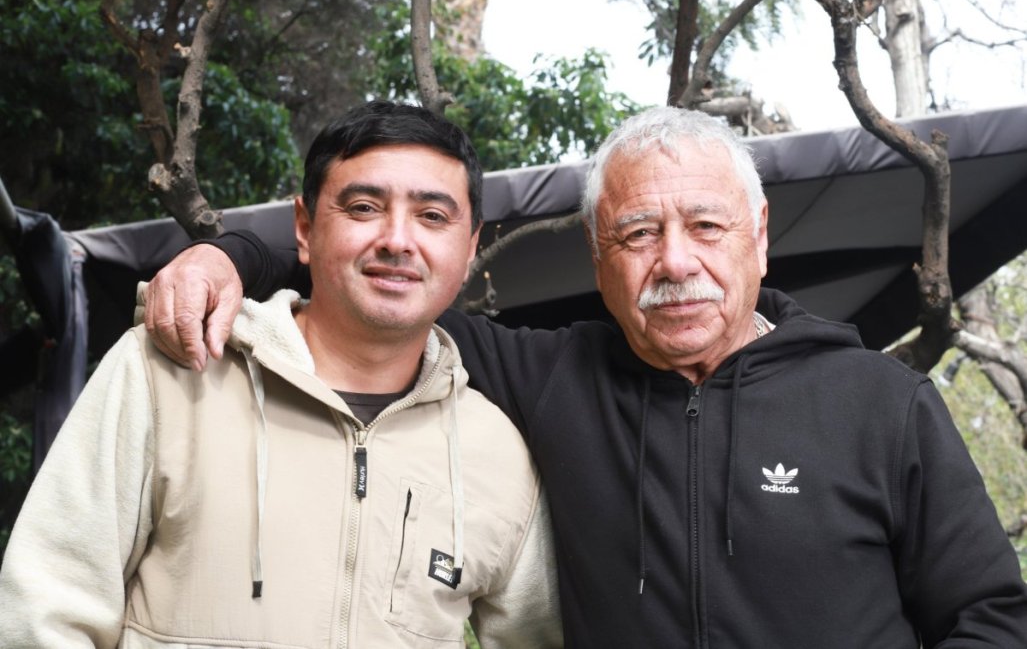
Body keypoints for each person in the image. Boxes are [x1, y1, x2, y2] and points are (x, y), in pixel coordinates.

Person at [142, 106, 1027, 647]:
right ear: (599, 259)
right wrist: (230, 255)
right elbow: (376, 285)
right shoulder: (548, 375)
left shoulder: (879, 403)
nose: (673, 262)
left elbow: (993, 615)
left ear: (758, 237)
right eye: (637, 234)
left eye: (705, 227)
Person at [0, 101, 561, 648]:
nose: (397, 239)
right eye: (363, 207)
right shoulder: (168, 371)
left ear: (470, 248)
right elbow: (46, 608)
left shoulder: (497, 450)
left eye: (432, 216)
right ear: (305, 228)